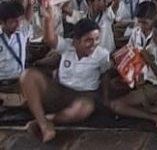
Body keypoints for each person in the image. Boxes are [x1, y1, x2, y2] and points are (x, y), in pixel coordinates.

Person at [21, 11, 110, 143]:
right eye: (88, 40)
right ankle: (43, 124)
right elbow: (50, 39)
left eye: (97, 39)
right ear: (76, 41)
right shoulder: (67, 46)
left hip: (85, 96)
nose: (94, 44)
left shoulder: (102, 54)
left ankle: (45, 121)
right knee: (28, 75)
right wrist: (48, 18)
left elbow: (105, 75)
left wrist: (105, 98)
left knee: (85, 108)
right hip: (60, 91)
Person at [109, 16, 157, 131]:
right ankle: (154, 116)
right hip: (147, 87)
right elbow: (140, 69)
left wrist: (150, 61)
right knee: (115, 105)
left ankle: (141, 111)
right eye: (153, 34)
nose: (153, 37)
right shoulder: (150, 47)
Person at [0, 0, 32, 103]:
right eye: (13, 22)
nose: (18, 25)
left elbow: (31, 3)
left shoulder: (22, 32)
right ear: (2, 22)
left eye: (19, 21)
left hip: (19, 83)